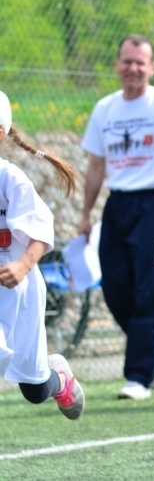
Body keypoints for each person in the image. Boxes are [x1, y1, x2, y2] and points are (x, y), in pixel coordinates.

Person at [77, 34, 154, 401]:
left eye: (140, 62)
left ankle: (139, 376)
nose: (133, 68)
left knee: (149, 288)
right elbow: (96, 166)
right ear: (117, 65)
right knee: (114, 287)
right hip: (117, 206)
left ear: (151, 67)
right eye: (127, 61)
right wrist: (86, 215)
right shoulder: (105, 109)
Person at [0, 90, 85, 420]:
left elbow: (40, 229)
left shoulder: (10, 179)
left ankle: (59, 378)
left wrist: (22, 264)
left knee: (35, 390)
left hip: (18, 294)